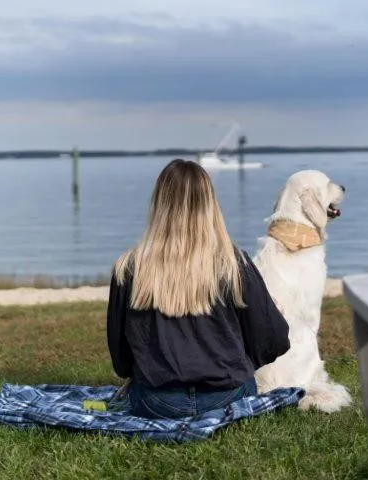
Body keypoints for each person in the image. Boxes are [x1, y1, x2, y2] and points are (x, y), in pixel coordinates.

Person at [106, 158, 290, 419]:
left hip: (156, 402)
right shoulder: (233, 264)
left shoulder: (128, 267)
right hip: (228, 397)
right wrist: (236, 362)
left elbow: (121, 360)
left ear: (159, 203)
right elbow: (273, 341)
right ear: (210, 204)